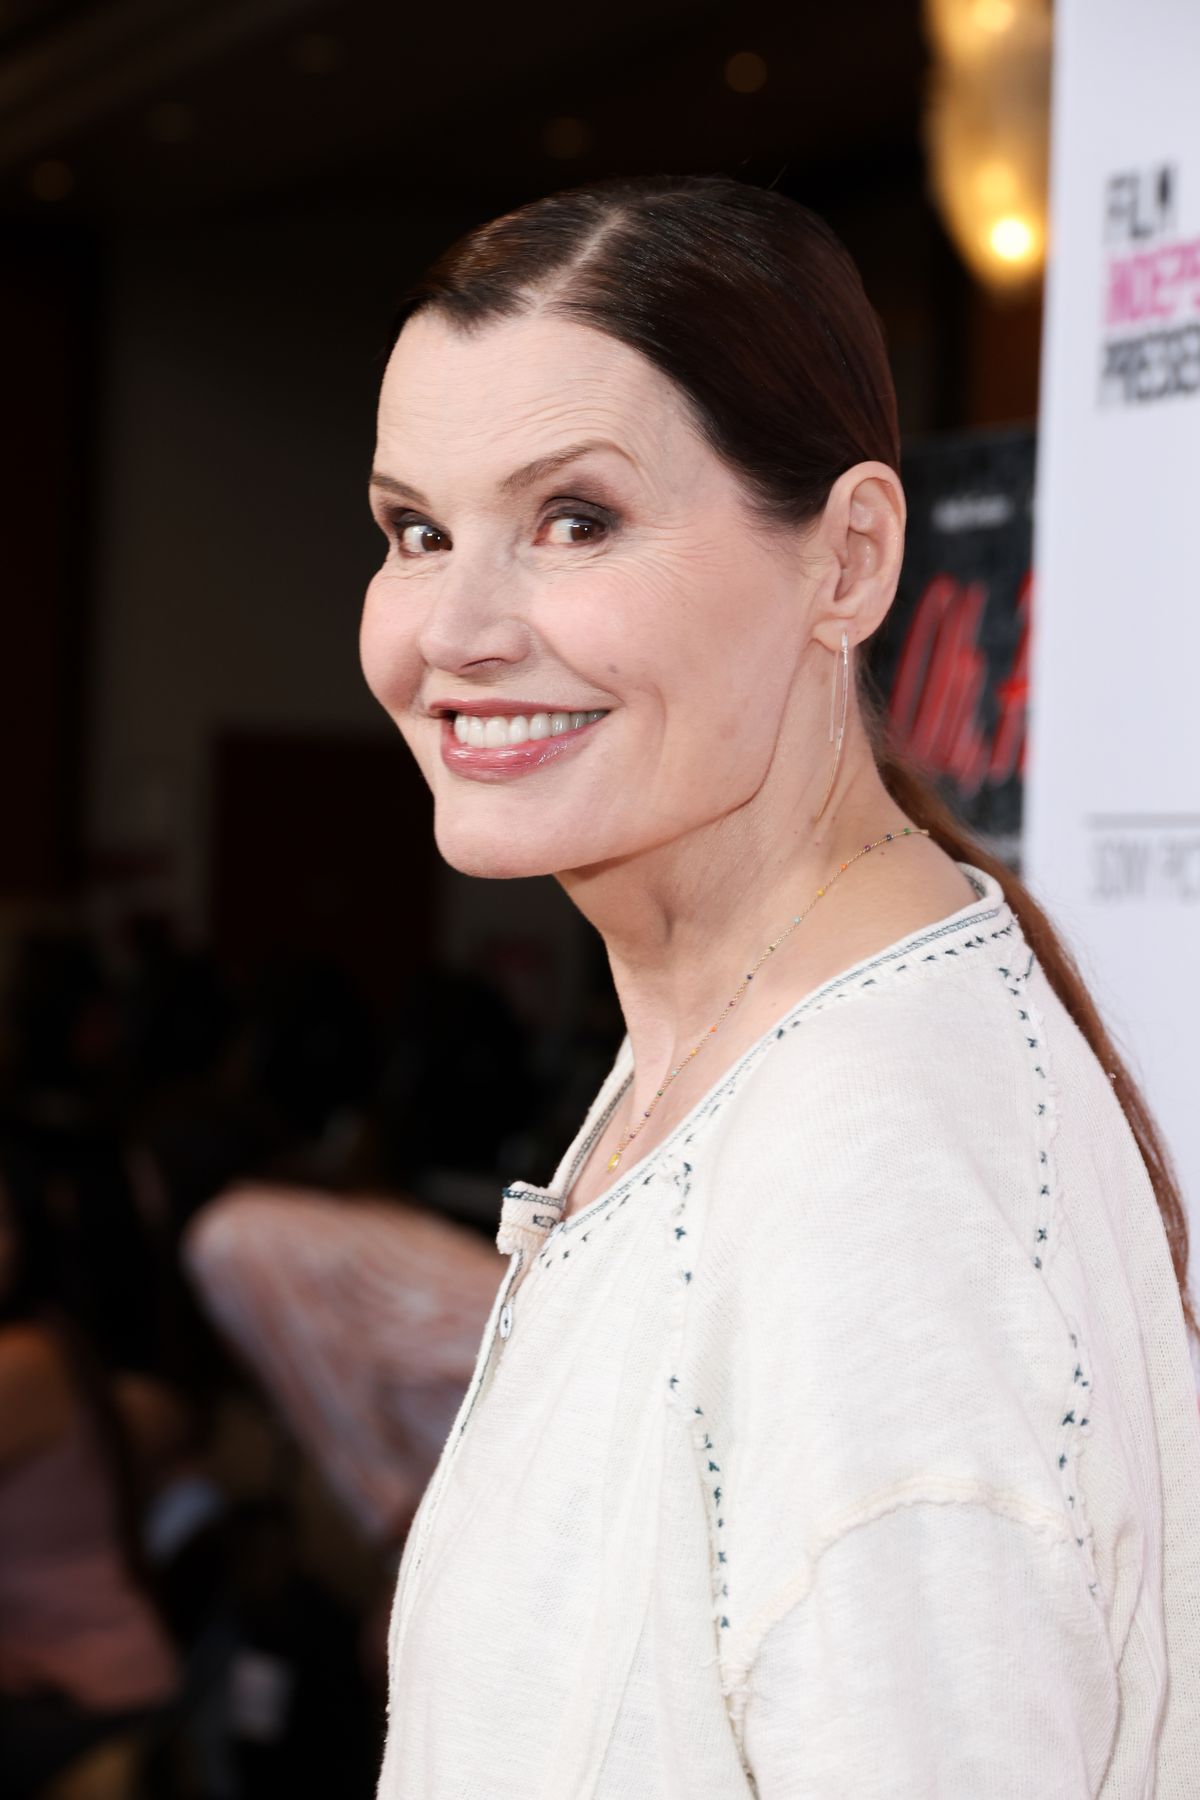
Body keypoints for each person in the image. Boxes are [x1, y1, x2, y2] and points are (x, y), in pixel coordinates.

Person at [358, 174, 1200, 1797]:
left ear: (849, 561)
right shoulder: (758, 1038)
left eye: (574, 519)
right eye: (415, 530)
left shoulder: (868, 1176)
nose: (448, 630)